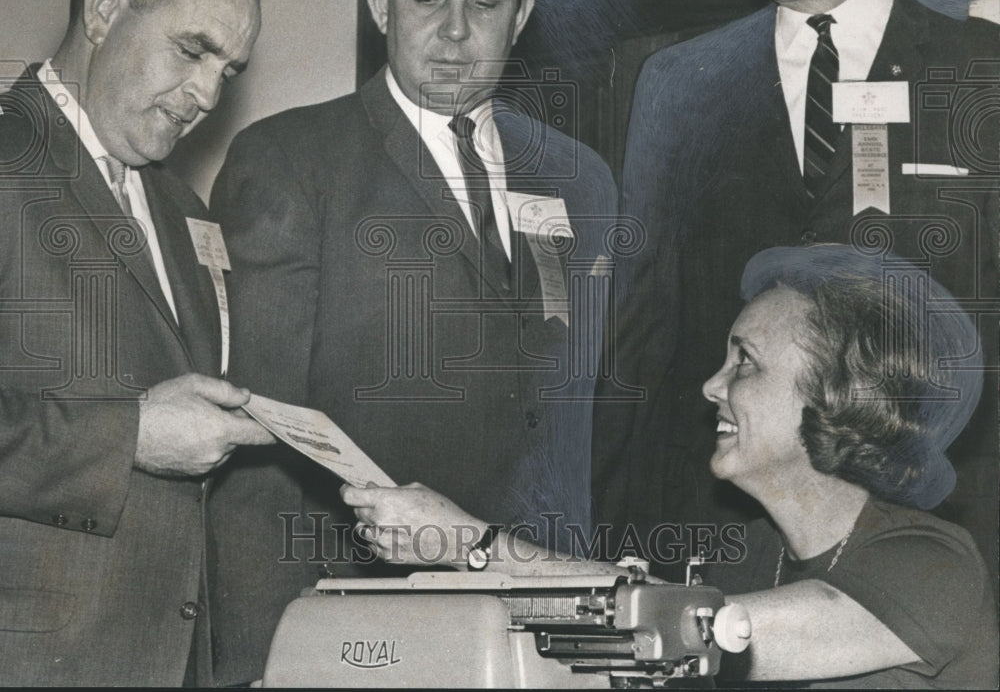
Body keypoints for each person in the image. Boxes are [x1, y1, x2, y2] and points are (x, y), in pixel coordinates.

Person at [208, 0, 618, 684]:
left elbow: (572, 430)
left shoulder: (581, 180)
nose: (456, 32)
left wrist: (586, 618)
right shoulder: (292, 161)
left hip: (542, 631)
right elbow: (255, 444)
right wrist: (261, 660)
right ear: (379, 0)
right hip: (357, 635)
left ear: (522, 16)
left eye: (486, 2)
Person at [599, 0, 999, 582]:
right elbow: (640, 337)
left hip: (932, 539)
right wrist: (623, 538)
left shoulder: (979, 70)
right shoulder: (679, 84)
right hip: (726, 543)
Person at [350, 244, 999, 688]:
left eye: (744, 362)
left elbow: (686, 630)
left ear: (835, 394)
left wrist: (473, 543)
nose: (712, 386)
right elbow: (649, 610)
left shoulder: (933, 565)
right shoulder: (752, 552)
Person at [0, 0, 275, 686]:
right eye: (193, 50)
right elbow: (142, 430)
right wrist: (129, 437)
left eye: (228, 71)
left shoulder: (186, 210)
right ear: (104, 8)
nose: (207, 95)